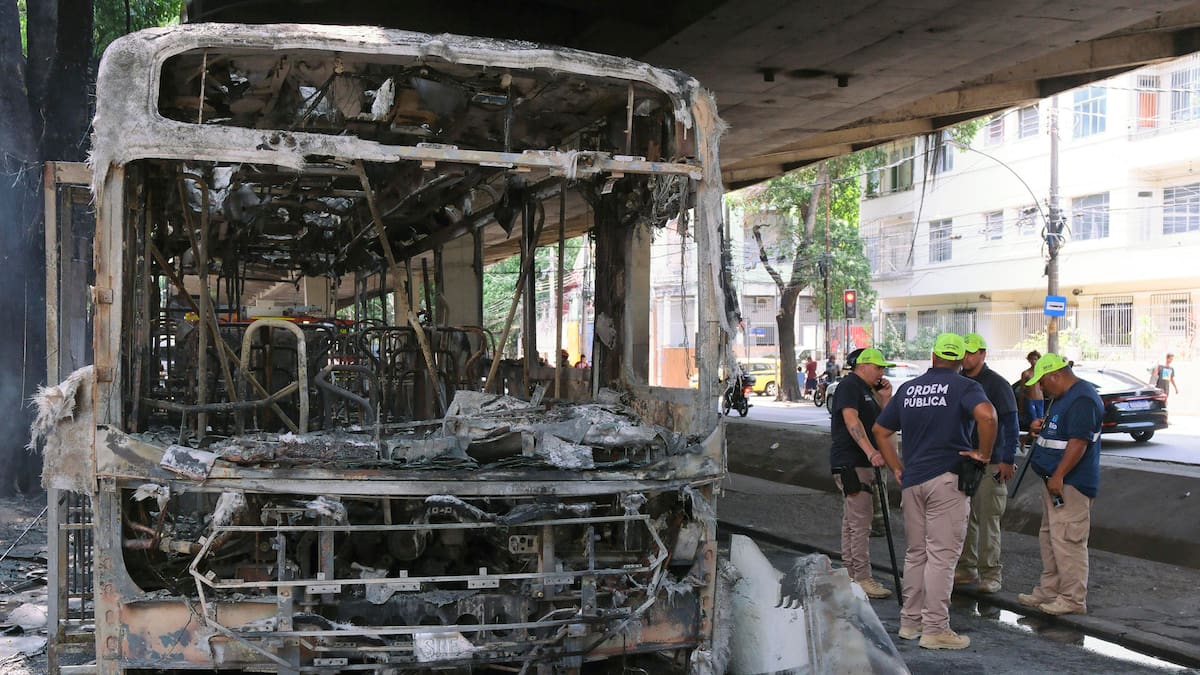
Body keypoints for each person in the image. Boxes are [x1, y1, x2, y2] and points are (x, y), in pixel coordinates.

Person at [872, 333, 997, 651]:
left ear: (933, 356)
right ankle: (936, 628)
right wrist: (983, 454)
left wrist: (895, 466)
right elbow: (987, 415)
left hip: (913, 481)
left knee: (916, 554)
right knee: (942, 557)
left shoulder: (909, 388)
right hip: (947, 480)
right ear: (958, 360)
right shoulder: (965, 386)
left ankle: (910, 622)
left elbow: (881, 430)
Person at [1017, 353, 1103, 616]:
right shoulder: (1062, 398)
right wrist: (1037, 429)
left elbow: (1079, 442)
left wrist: (1059, 476)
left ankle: (1072, 599)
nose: (1040, 388)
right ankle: (1051, 590)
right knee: (1051, 537)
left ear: (1055, 375)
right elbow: (1059, 434)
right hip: (1054, 482)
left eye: (1042, 382)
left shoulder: (1083, 399)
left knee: (1068, 540)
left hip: (1069, 484)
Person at [829, 347, 896, 599]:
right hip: (852, 462)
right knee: (860, 522)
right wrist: (870, 452)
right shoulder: (850, 386)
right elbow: (851, 420)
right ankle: (862, 577)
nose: (882, 373)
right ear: (864, 365)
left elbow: (881, 422)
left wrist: (885, 397)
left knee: (852, 521)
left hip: (857, 462)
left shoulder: (867, 390)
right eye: (879, 367)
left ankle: (850, 573)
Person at [954, 334, 1019, 594]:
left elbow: (1011, 425)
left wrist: (1006, 459)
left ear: (983, 353)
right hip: (964, 460)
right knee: (965, 518)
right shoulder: (959, 382)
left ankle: (991, 573)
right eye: (963, 353)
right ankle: (967, 567)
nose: (966, 357)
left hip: (991, 463)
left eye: (971, 353)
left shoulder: (997, 385)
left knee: (988, 518)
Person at [1020, 350, 1045, 424]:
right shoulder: (1026, 373)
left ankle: (1039, 435)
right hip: (1030, 400)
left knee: (1041, 420)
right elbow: (1022, 390)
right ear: (1029, 360)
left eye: (1035, 359)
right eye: (1031, 359)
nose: (1033, 361)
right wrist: (1021, 405)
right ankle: (1033, 434)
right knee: (1033, 420)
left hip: (1040, 400)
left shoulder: (1042, 372)